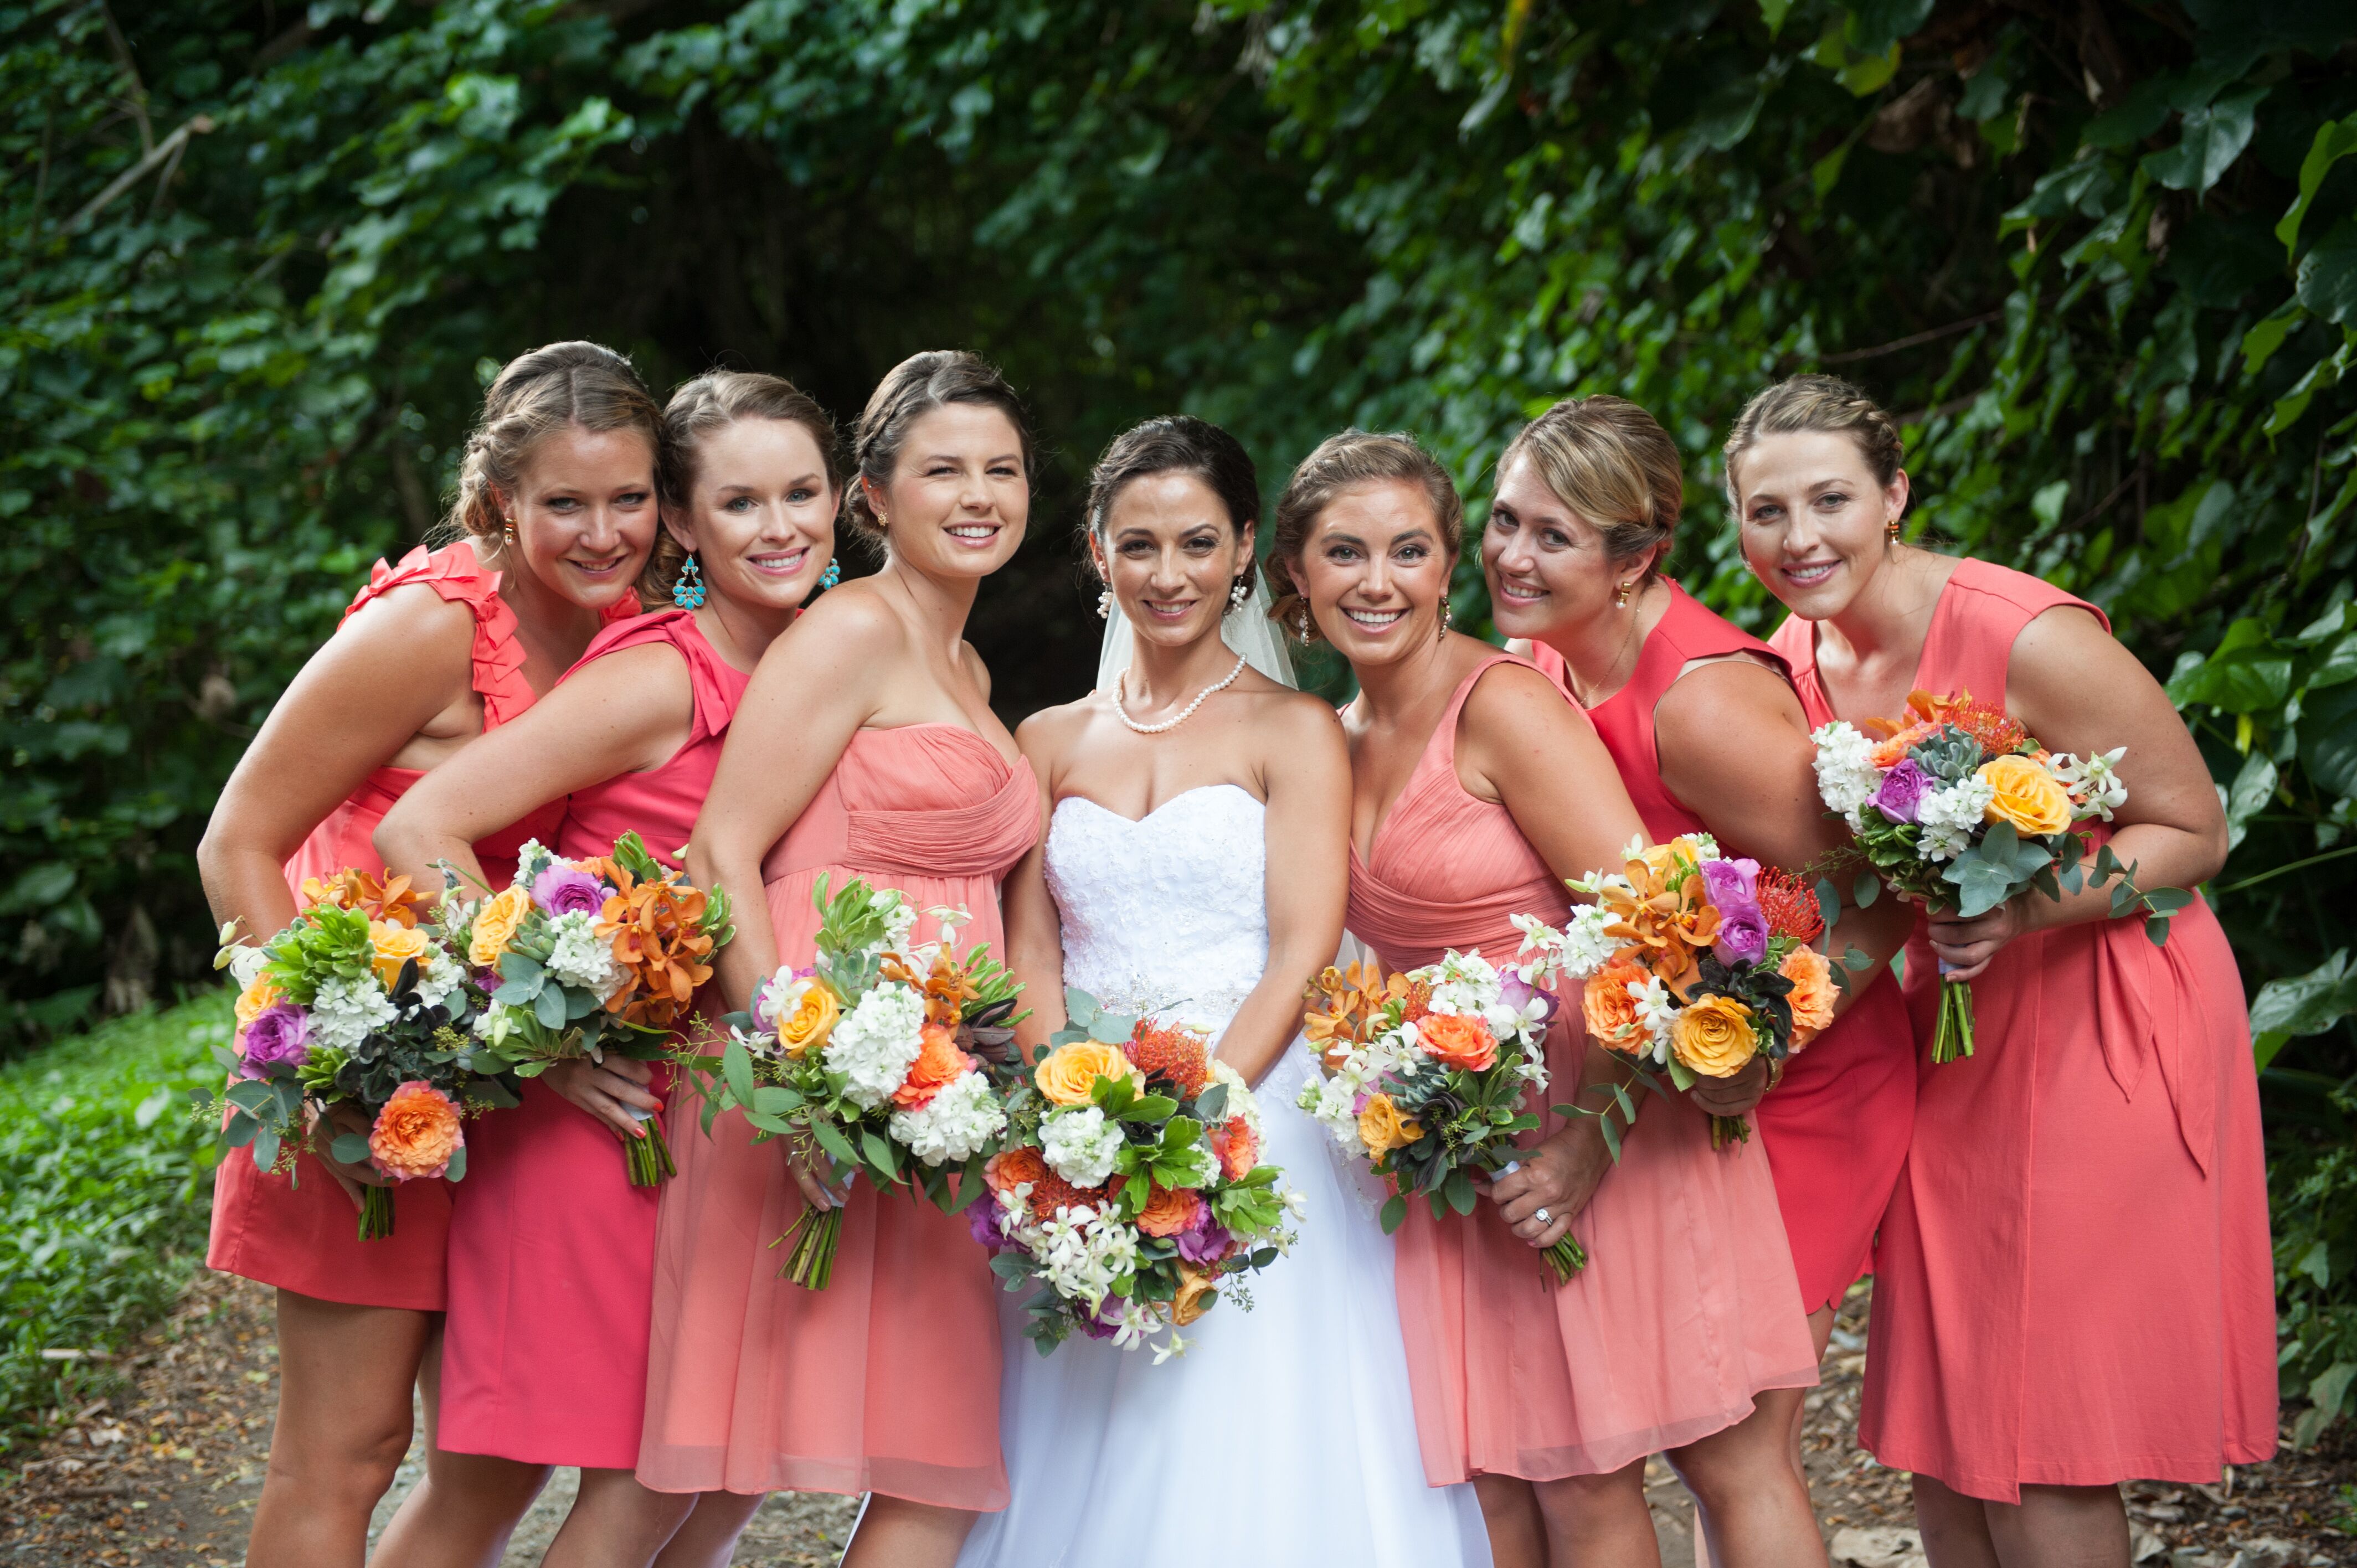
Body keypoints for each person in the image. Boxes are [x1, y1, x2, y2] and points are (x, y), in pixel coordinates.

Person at [1727, 373, 2277, 1567]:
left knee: (2039, 1432)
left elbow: (2193, 833)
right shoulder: (1788, 662)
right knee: (1951, 1426)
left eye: (1829, 499)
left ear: (1894, 497)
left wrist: (2026, 908)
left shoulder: (2022, 633)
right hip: (1947, 1041)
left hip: (2102, 1006)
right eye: (1765, 512)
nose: (1799, 537)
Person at [955, 416, 1493, 1568]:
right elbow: (1032, 950)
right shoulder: (1045, 738)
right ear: (1096, 552)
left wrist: (1187, 1119)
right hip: (1081, 1121)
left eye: (1197, 543)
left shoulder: (1295, 730)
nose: (1168, 574)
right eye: (1137, 545)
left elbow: (1306, 948)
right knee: (1086, 1413)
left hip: (1247, 1113)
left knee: (1242, 1424)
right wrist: (1074, 1114)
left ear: (1246, 548)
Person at [1279, 429, 1820, 1568]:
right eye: (1343, 554)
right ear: (1296, 575)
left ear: (1440, 566)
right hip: (1459, 1145)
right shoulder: (1330, 737)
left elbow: (1646, 926)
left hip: (1594, 1132)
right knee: (1501, 1491)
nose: (1376, 583)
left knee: (1596, 1488)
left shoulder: (1507, 706)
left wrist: (1585, 1143)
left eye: (1408, 551)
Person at [195, 342, 661, 1568]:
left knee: (492, 1463)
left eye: (630, 498)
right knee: (341, 1453)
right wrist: (317, 1069)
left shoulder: (641, 633)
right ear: (501, 499)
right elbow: (238, 843)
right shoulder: (430, 627)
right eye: (566, 503)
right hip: (369, 1082)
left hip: (510, 1090)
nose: (603, 531)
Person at [373, 371, 842, 1568]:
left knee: (709, 1475)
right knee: (499, 1488)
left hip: (728, 1120)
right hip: (601, 1128)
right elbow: (418, 831)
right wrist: (547, 1039)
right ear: (685, 524)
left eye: (803, 494)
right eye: (742, 501)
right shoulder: (662, 675)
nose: (780, 526)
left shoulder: (826, 664)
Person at [1483, 395, 1917, 1514]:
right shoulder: (1540, 654)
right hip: (1680, 1079)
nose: (1511, 556)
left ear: (1636, 562)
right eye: (1503, 520)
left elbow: (1877, 892)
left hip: (1802, 1088)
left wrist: (1771, 1041)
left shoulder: (1700, 705)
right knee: (1702, 1443)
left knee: (1735, 1448)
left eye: (1552, 536)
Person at [651, 350, 1038, 1568]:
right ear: (871, 497)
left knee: (937, 1461)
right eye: (943, 471)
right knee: (732, 1476)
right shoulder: (846, 634)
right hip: (818, 1089)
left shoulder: (969, 669)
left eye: (1003, 470)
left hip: (935, 1097)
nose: (977, 495)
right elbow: (724, 854)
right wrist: (798, 1086)